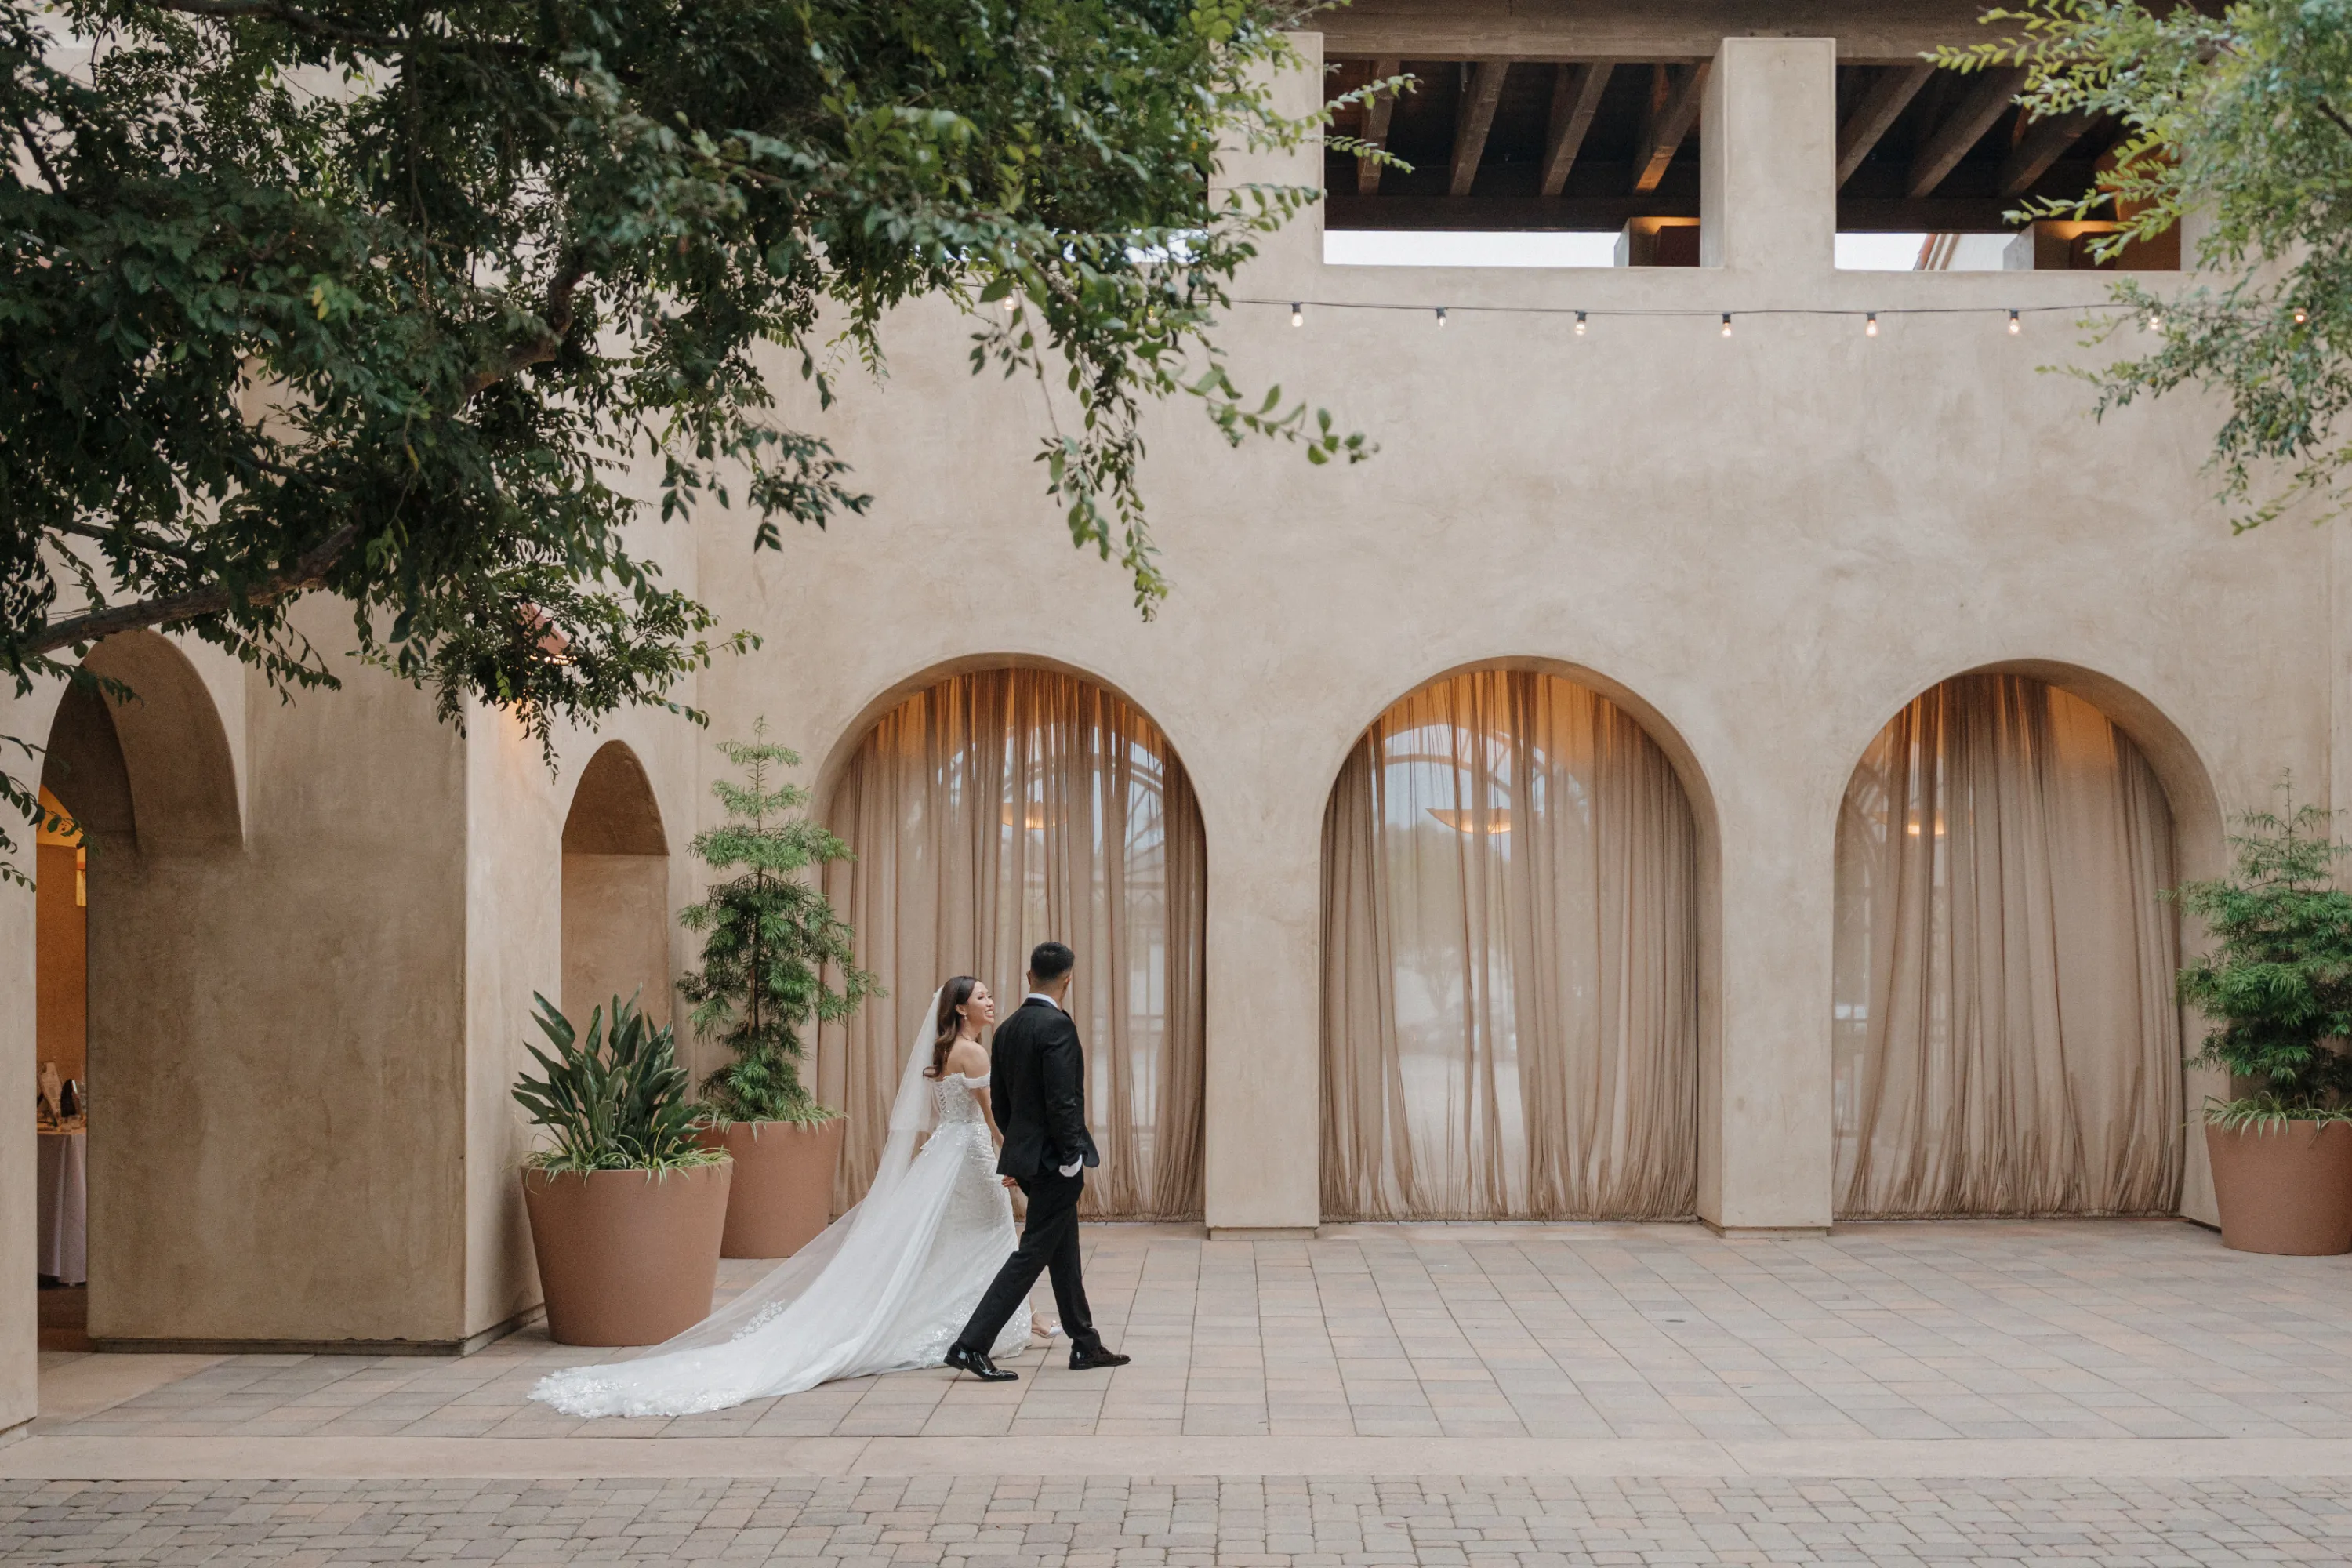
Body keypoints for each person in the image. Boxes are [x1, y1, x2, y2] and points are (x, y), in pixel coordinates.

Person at [529, 978, 1045, 1417]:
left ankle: (997, 1316)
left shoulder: (954, 1050)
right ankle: (992, 1322)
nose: (990, 1001)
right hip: (971, 1154)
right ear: (960, 1007)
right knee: (995, 1233)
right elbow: (994, 1118)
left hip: (951, 1151)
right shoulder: (974, 1050)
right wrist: (1016, 1161)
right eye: (981, 996)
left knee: (972, 1238)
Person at [943, 941, 1131, 1381]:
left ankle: (1084, 1344)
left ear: (1030, 977)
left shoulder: (1006, 1029)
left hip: (1029, 1160)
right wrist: (1069, 1158)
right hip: (1056, 1164)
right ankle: (970, 1346)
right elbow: (1064, 1102)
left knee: (1062, 1250)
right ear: (1069, 980)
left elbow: (1003, 1105)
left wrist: (1020, 1152)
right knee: (1031, 1254)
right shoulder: (1057, 1027)